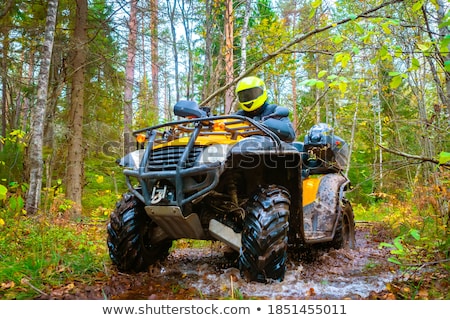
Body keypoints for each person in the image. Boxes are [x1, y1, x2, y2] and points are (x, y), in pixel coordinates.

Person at [235, 76, 296, 142]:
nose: (248, 97)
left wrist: (268, 125)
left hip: (270, 150)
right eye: (244, 96)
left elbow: (290, 134)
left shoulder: (274, 111)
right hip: (241, 150)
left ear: (262, 91)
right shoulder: (237, 117)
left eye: (253, 93)